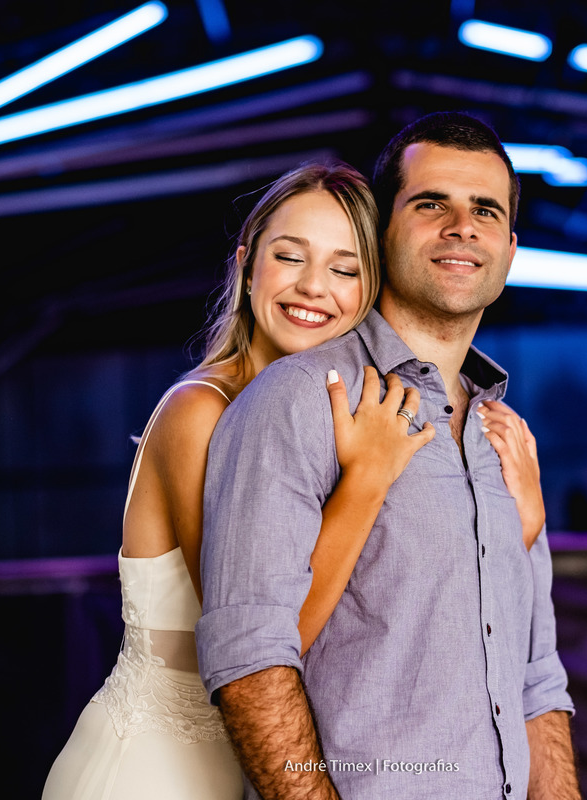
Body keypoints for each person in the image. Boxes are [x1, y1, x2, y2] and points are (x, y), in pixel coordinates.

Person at [42, 161, 545, 799]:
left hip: (263, 767)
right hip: (162, 766)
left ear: (370, 292)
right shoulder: (200, 411)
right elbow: (262, 642)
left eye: (344, 270)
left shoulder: (336, 415)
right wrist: (367, 480)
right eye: (290, 257)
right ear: (247, 264)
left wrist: (514, 531)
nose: (314, 288)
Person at [198, 112, 579, 800]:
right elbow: (249, 660)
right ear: (382, 233)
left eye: (485, 211)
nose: (462, 228)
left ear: (511, 249)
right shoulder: (300, 398)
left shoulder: (507, 441)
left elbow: (536, 679)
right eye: (432, 204)